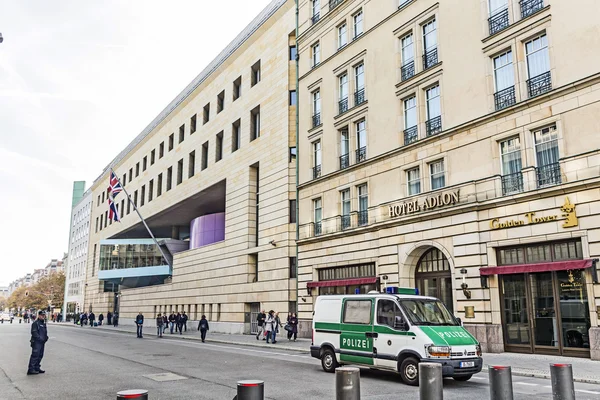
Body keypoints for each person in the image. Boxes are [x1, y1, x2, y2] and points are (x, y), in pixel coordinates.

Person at [27, 311, 48, 375]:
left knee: (40, 355)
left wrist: (46, 337)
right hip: (36, 342)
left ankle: (36, 367)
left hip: (42, 342)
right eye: (41, 315)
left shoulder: (43, 323)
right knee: (35, 355)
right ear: (38, 315)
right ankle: (31, 369)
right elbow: (34, 332)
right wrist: (39, 338)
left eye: (44, 315)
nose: (43, 316)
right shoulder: (35, 323)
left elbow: (44, 332)